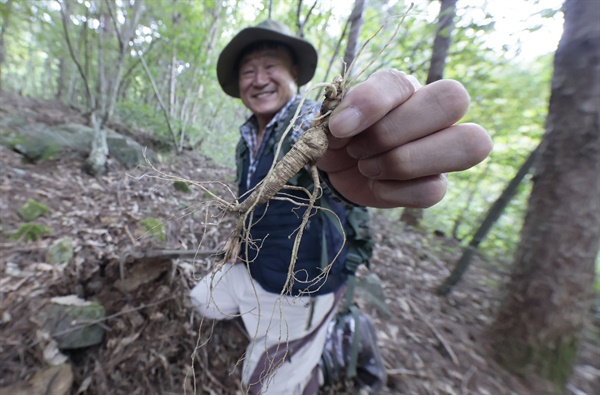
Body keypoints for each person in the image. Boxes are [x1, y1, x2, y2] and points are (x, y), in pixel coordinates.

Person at [190, 19, 492, 395]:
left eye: (270, 66)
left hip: (302, 287)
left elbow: (336, 169)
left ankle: (313, 362)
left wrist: (364, 144)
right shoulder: (247, 136)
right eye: (248, 71)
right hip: (252, 268)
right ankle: (269, 326)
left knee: (263, 387)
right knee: (201, 302)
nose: (258, 78)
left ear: (295, 73)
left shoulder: (310, 121)